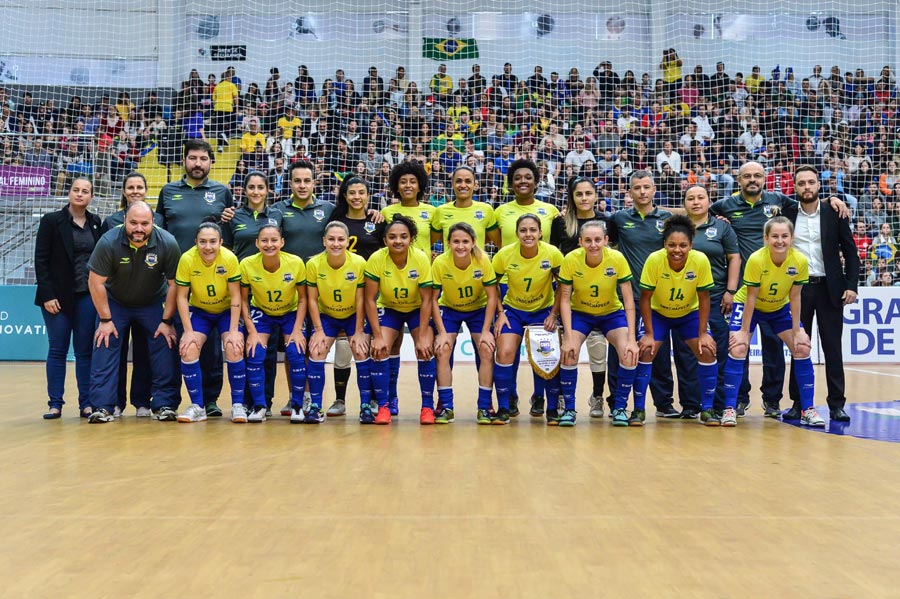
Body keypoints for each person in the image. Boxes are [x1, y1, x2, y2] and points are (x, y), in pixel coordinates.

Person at [709, 161, 847, 417]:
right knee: (740, 345)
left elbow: (808, 200)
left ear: (765, 179)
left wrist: (831, 199)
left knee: (776, 348)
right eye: (747, 176)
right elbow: (700, 213)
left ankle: (772, 401)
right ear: (739, 180)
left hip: (778, 293)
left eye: (758, 176)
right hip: (747, 287)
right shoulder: (725, 205)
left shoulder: (778, 200)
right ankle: (737, 401)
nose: (753, 180)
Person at [607, 171, 696, 418]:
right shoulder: (619, 219)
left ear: (654, 190)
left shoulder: (667, 218)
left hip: (658, 298)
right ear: (630, 192)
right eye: (637, 188)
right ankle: (617, 402)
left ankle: (663, 403)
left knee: (656, 352)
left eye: (646, 187)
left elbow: (690, 220)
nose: (642, 192)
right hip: (625, 298)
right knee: (621, 350)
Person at [157, 139, 235, 417]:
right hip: (175, 281)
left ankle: (210, 400)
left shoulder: (221, 192)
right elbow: (159, 233)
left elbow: (231, 234)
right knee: (176, 342)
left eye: (203, 158)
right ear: (184, 161)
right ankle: (169, 401)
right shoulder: (168, 191)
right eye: (192, 158)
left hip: (212, 283)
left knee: (212, 347)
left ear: (211, 162)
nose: (197, 163)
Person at [721, 216, 823, 427]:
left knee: (802, 348)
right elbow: (750, 298)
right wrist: (743, 331)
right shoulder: (757, 259)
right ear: (766, 238)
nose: (780, 241)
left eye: (785, 236)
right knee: (738, 348)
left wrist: (797, 330)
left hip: (778, 307)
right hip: (750, 306)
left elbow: (795, 297)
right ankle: (729, 408)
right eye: (774, 236)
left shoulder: (800, 261)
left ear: (792, 237)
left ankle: (808, 409)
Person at [86, 201, 181, 423]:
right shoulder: (108, 241)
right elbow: (95, 282)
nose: (138, 228)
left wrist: (167, 320)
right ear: (124, 221)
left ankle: (164, 404)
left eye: (144, 223)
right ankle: (103, 407)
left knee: (165, 344)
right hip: (116, 303)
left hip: (152, 302)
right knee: (105, 343)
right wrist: (105, 319)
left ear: (153, 223)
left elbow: (175, 284)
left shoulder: (167, 242)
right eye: (133, 223)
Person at [783, 166, 860, 422]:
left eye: (811, 182)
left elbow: (851, 252)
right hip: (797, 290)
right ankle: (798, 403)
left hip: (830, 289)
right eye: (802, 183)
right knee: (799, 347)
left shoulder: (834, 212)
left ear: (819, 186)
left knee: (832, 349)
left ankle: (837, 404)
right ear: (795, 187)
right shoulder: (787, 213)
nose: (807, 187)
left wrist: (851, 285)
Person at [633, 215, 718, 426]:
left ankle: (707, 409)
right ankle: (638, 409)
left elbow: (704, 298)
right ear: (664, 245)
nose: (677, 250)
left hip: (689, 314)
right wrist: (649, 334)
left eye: (683, 245)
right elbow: (644, 298)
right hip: (658, 314)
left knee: (706, 350)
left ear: (691, 245)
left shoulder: (700, 260)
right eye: (671, 245)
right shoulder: (654, 260)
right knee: (645, 350)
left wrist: (703, 333)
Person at [493, 159, 561, 416]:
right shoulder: (500, 212)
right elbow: (496, 242)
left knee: (544, 354)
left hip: (543, 294)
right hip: (510, 290)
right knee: (506, 349)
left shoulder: (551, 211)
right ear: (511, 184)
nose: (523, 181)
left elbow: (561, 279)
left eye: (528, 177)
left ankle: (542, 399)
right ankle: (508, 399)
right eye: (517, 178)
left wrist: (555, 312)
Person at [558, 220, 639, 427]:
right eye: (588, 240)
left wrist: (631, 338)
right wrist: (567, 338)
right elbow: (565, 299)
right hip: (581, 313)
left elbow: (629, 300)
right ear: (580, 242)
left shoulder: (617, 258)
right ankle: (569, 409)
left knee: (629, 354)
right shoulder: (571, 260)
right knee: (569, 352)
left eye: (597, 240)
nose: (593, 244)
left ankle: (619, 407)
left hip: (611, 313)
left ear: (606, 240)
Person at [34, 177, 102, 419]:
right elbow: (40, 262)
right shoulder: (51, 221)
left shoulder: (95, 222)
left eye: (85, 191)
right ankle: (55, 403)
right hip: (57, 299)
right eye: (76, 190)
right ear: (69, 193)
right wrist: (48, 295)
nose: (80, 194)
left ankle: (86, 403)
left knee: (85, 352)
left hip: (86, 297)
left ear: (91, 196)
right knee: (57, 350)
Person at [550, 176, 618, 418]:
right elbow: (552, 258)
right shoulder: (560, 223)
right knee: (566, 347)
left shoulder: (607, 222)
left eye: (589, 193)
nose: (584, 198)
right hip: (566, 294)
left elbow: (612, 258)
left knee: (598, 349)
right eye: (579, 194)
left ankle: (597, 397)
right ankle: (561, 395)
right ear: (572, 197)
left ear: (595, 196)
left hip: (599, 295)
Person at [101, 172, 164, 417]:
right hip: (117, 296)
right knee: (115, 351)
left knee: (144, 351)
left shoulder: (158, 219)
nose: (135, 190)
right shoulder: (111, 221)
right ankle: (115, 402)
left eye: (139, 186)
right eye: (130, 187)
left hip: (149, 296)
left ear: (146, 190)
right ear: (124, 191)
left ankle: (142, 401)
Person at [364, 215, 435, 425]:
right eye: (392, 237)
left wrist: (422, 336)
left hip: (415, 309)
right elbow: (369, 299)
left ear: (411, 239)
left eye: (403, 236)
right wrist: (376, 336)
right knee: (380, 348)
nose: (398, 241)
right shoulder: (377, 258)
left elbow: (427, 299)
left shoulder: (420, 258)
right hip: (389, 308)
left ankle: (427, 407)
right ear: (385, 240)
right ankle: (385, 404)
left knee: (425, 349)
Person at [174, 220, 247, 423]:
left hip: (225, 311)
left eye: (213, 242)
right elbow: (181, 297)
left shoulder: (230, 259)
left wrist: (233, 330)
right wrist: (188, 331)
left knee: (234, 347)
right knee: (188, 349)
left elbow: (235, 296)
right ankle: (198, 406)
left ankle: (238, 405)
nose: (208, 247)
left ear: (221, 242)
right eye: (203, 242)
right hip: (200, 311)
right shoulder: (187, 259)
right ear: (196, 242)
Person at [325, 176, 385, 417]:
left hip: (372, 293)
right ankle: (339, 400)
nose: (357, 197)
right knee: (343, 348)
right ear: (345, 195)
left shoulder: (377, 221)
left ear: (368, 195)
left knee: (367, 347)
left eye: (362, 192)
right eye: (352, 193)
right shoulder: (336, 221)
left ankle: (370, 400)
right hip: (343, 294)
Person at [431, 223, 500, 424]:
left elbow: (492, 297)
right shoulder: (440, 263)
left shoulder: (483, 261)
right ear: (449, 243)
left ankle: (484, 407)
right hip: (449, 309)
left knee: (487, 349)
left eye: (465, 241)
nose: (460, 246)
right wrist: (442, 332)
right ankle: (446, 407)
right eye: (456, 242)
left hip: (478, 309)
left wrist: (486, 330)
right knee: (443, 349)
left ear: (472, 243)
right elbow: (433, 299)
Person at [683, 185, 741, 422]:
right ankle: (689, 404)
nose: (696, 202)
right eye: (690, 198)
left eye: (700, 198)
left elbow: (734, 258)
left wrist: (730, 291)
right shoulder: (677, 226)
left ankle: (718, 404)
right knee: (687, 353)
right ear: (684, 203)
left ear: (709, 201)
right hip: (683, 299)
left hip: (716, 298)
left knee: (717, 349)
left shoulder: (722, 227)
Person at [381, 161, 435, 414]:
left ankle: (429, 404)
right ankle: (390, 399)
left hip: (422, 286)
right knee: (390, 346)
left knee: (425, 345)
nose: (408, 185)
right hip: (393, 288)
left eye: (413, 181)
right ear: (396, 185)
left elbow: (438, 243)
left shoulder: (432, 212)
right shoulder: (387, 212)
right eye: (403, 181)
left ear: (420, 184)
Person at [239, 224, 308, 423]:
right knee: (255, 352)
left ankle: (297, 405)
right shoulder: (247, 264)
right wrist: (251, 331)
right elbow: (243, 300)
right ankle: (259, 406)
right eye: (264, 241)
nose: (269, 245)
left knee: (295, 352)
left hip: (290, 311)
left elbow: (303, 299)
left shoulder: (295, 263)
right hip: (262, 311)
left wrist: (297, 329)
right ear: (257, 243)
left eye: (274, 240)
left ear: (282, 242)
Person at [306, 222, 372, 422]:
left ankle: (366, 406)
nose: (336, 243)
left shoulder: (359, 262)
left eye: (340, 239)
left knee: (361, 351)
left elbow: (361, 299)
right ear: (324, 241)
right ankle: (316, 406)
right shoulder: (313, 264)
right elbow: (310, 299)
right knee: (317, 350)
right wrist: (318, 330)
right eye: (331, 239)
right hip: (327, 316)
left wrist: (359, 330)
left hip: (353, 315)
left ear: (347, 241)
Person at [430, 165, 501, 251]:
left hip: (478, 264)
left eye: (468, 181)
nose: (463, 185)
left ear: (475, 185)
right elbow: (432, 240)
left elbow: (498, 241)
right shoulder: (441, 211)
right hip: (448, 264)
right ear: (452, 184)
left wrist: (475, 244)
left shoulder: (486, 209)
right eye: (458, 181)